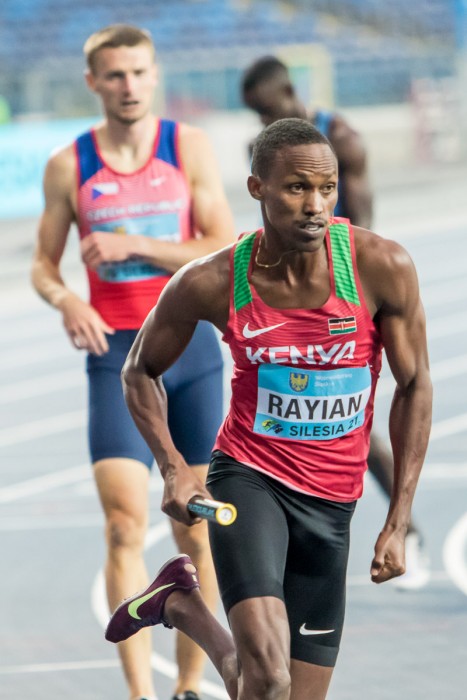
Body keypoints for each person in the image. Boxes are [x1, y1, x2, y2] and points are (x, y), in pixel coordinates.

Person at [104, 118, 433, 700]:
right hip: (251, 481)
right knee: (270, 676)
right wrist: (175, 468)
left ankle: (181, 605)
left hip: (333, 503)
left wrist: (398, 519)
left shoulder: (381, 267)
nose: (316, 206)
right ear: (257, 187)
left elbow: (415, 386)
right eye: (297, 188)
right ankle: (186, 606)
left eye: (327, 189)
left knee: (271, 693)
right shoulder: (211, 280)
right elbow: (139, 371)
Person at [31, 24, 235, 700]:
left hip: (189, 349)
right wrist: (66, 299)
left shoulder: (187, 146)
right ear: (93, 82)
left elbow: (221, 244)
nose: (129, 86)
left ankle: (187, 685)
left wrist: (132, 244)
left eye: (140, 72)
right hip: (115, 352)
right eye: (115, 75)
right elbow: (42, 264)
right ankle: (139, 693)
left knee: (194, 527)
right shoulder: (70, 164)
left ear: (155, 75)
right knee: (123, 525)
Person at [241, 55, 430, 590]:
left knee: (355, 425)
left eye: (267, 111)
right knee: (319, 421)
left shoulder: (342, 139)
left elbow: (360, 227)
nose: (261, 122)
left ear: (288, 93)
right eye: (255, 115)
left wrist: (345, 296)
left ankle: (406, 528)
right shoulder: (264, 149)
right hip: (295, 289)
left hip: (348, 291)